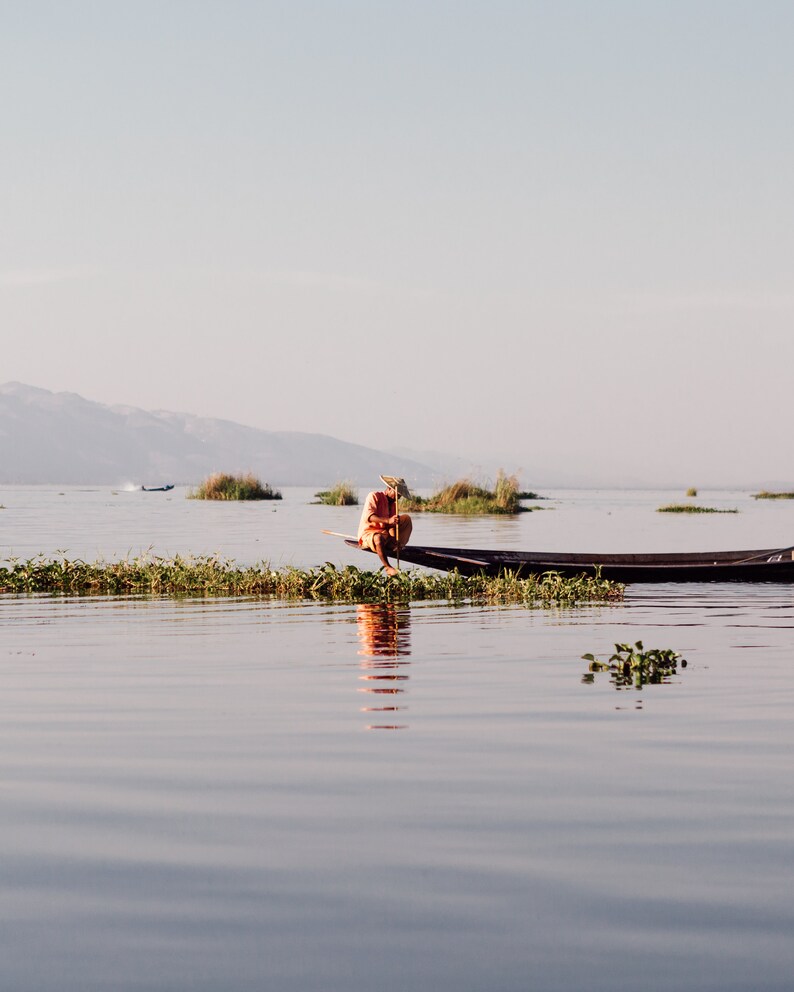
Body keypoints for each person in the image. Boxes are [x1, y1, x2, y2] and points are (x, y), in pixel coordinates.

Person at [357, 476, 413, 576]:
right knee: (378, 538)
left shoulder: (393, 504)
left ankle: (395, 545)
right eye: (398, 494)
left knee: (406, 519)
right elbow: (369, 517)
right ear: (389, 489)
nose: (398, 498)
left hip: (385, 534)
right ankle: (388, 567)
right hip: (369, 534)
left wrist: (393, 539)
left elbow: (391, 526)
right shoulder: (374, 496)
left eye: (400, 496)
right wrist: (388, 520)